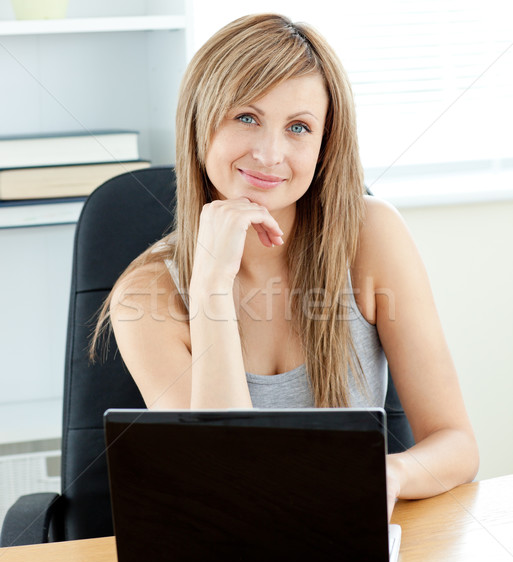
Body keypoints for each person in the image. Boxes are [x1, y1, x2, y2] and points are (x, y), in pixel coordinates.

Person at [90, 13, 478, 519]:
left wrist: (391, 473)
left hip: (346, 540)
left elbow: (456, 444)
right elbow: (223, 479)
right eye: (246, 117)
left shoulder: (370, 236)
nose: (270, 153)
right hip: (226, 556)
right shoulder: (148, 293)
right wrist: (210, 284)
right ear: (200, 122)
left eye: (299, 127)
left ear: (323, 146)